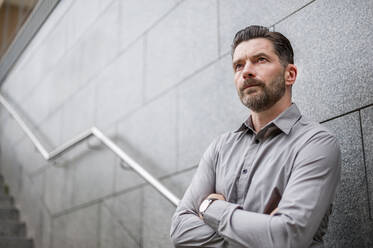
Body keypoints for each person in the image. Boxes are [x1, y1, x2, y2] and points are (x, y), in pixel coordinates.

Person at [170, 25, 341, 248]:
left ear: (290, 74)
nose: (246, 71)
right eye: (238, 65)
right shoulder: (220, 148)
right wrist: (262, 229)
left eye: (260, 59)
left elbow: (285, 238)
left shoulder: (316, 143)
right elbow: (180, 231)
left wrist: (209, 209)